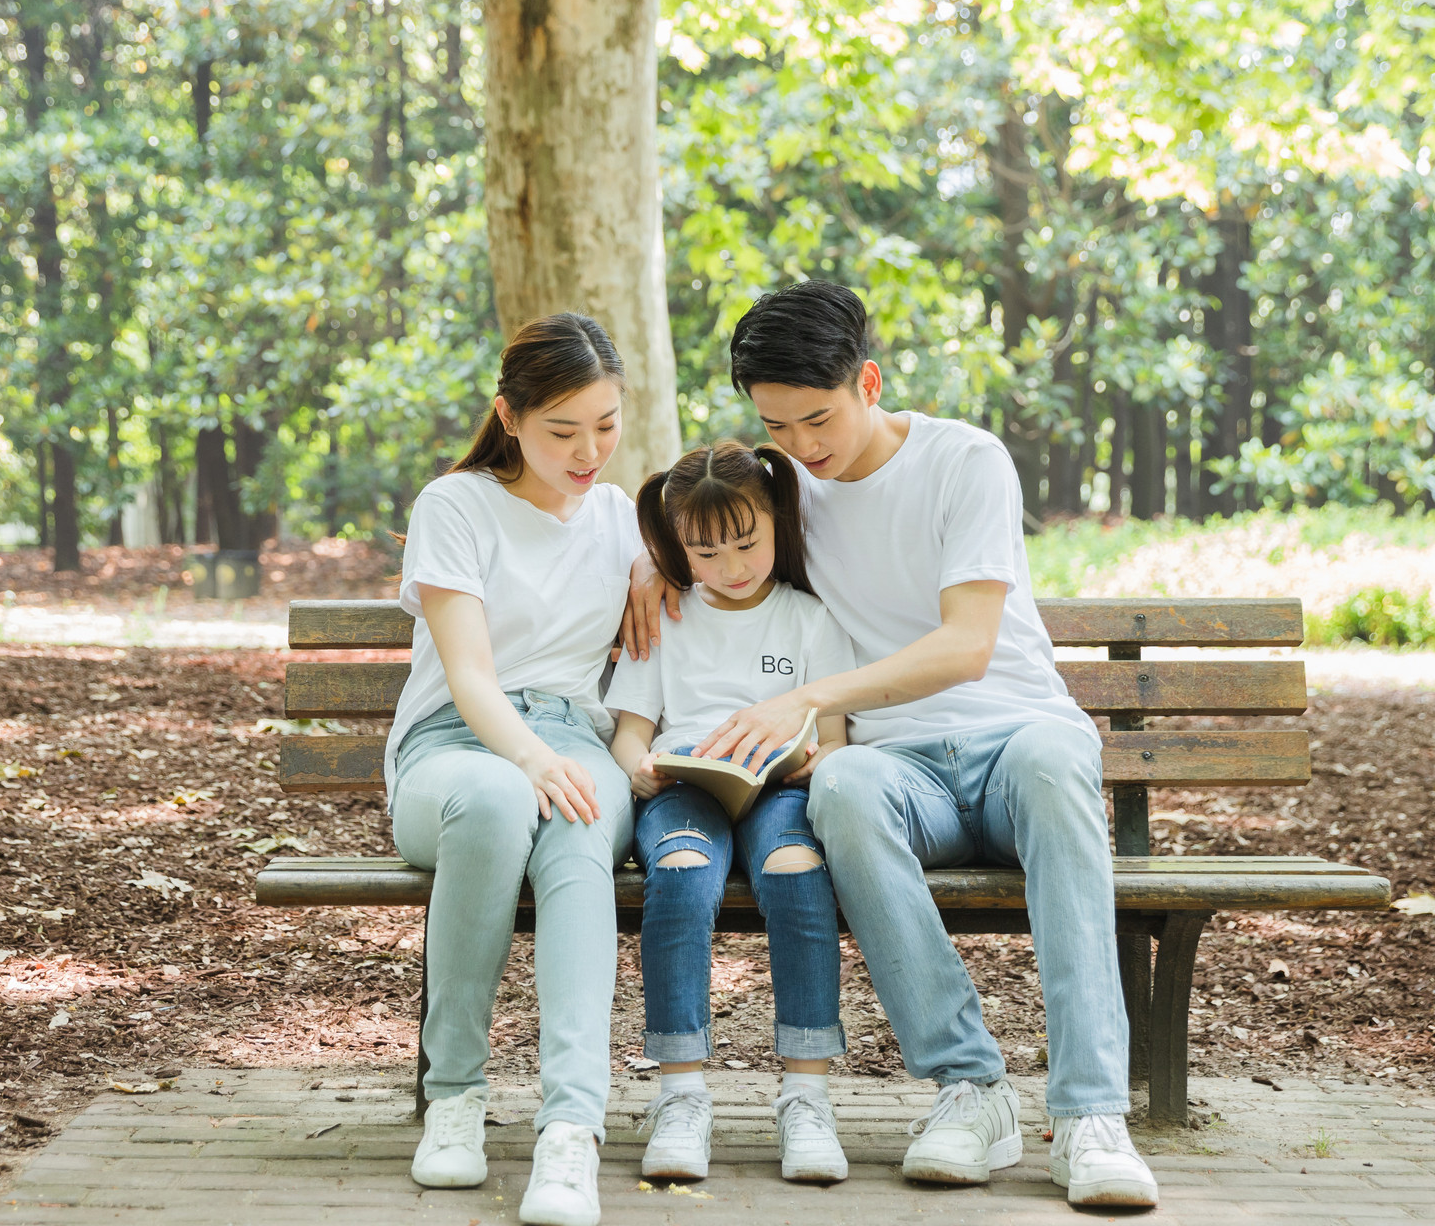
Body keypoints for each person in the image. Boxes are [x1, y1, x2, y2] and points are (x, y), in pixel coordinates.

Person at [633, 280, 1160, 1209]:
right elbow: (713, 531)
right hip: (896, 769)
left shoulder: (966, 461)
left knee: (1053, 764)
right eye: (777, 425)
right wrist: (649, 564)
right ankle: (970, 1088)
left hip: (1014, 739)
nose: (801, 446)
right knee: (842, 791)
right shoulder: (791, 487)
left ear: (868, 381)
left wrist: (808, 695)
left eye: (818, 418)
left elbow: (967, 646)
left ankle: (1089, 1115)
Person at [390, 312, 644, 1226]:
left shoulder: (622, 516)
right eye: (562, 430)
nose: (588, 452)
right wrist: (530, 760)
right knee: (500, 800)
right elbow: (469, 675)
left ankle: (571, 1129)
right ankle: (454, 1095)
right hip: (456, 744)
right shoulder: (453, 506)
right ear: (509, 416)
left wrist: (654, 570)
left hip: (575, 737)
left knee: (578, 831)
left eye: (607, 425)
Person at [603, 441, 857, 1185]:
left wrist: (809, 762)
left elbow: (836, 739)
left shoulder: (810, 619)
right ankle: (681, 1095)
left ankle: (806, 1097)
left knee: (798, 870)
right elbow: (629, 734)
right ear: (679, 547)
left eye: (747, 544)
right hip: (685, 788)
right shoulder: (669, 617)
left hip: (781, 789)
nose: (732, 567)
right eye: (707, 552)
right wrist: (639, 772)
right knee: (680, 874)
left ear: (777, 522)